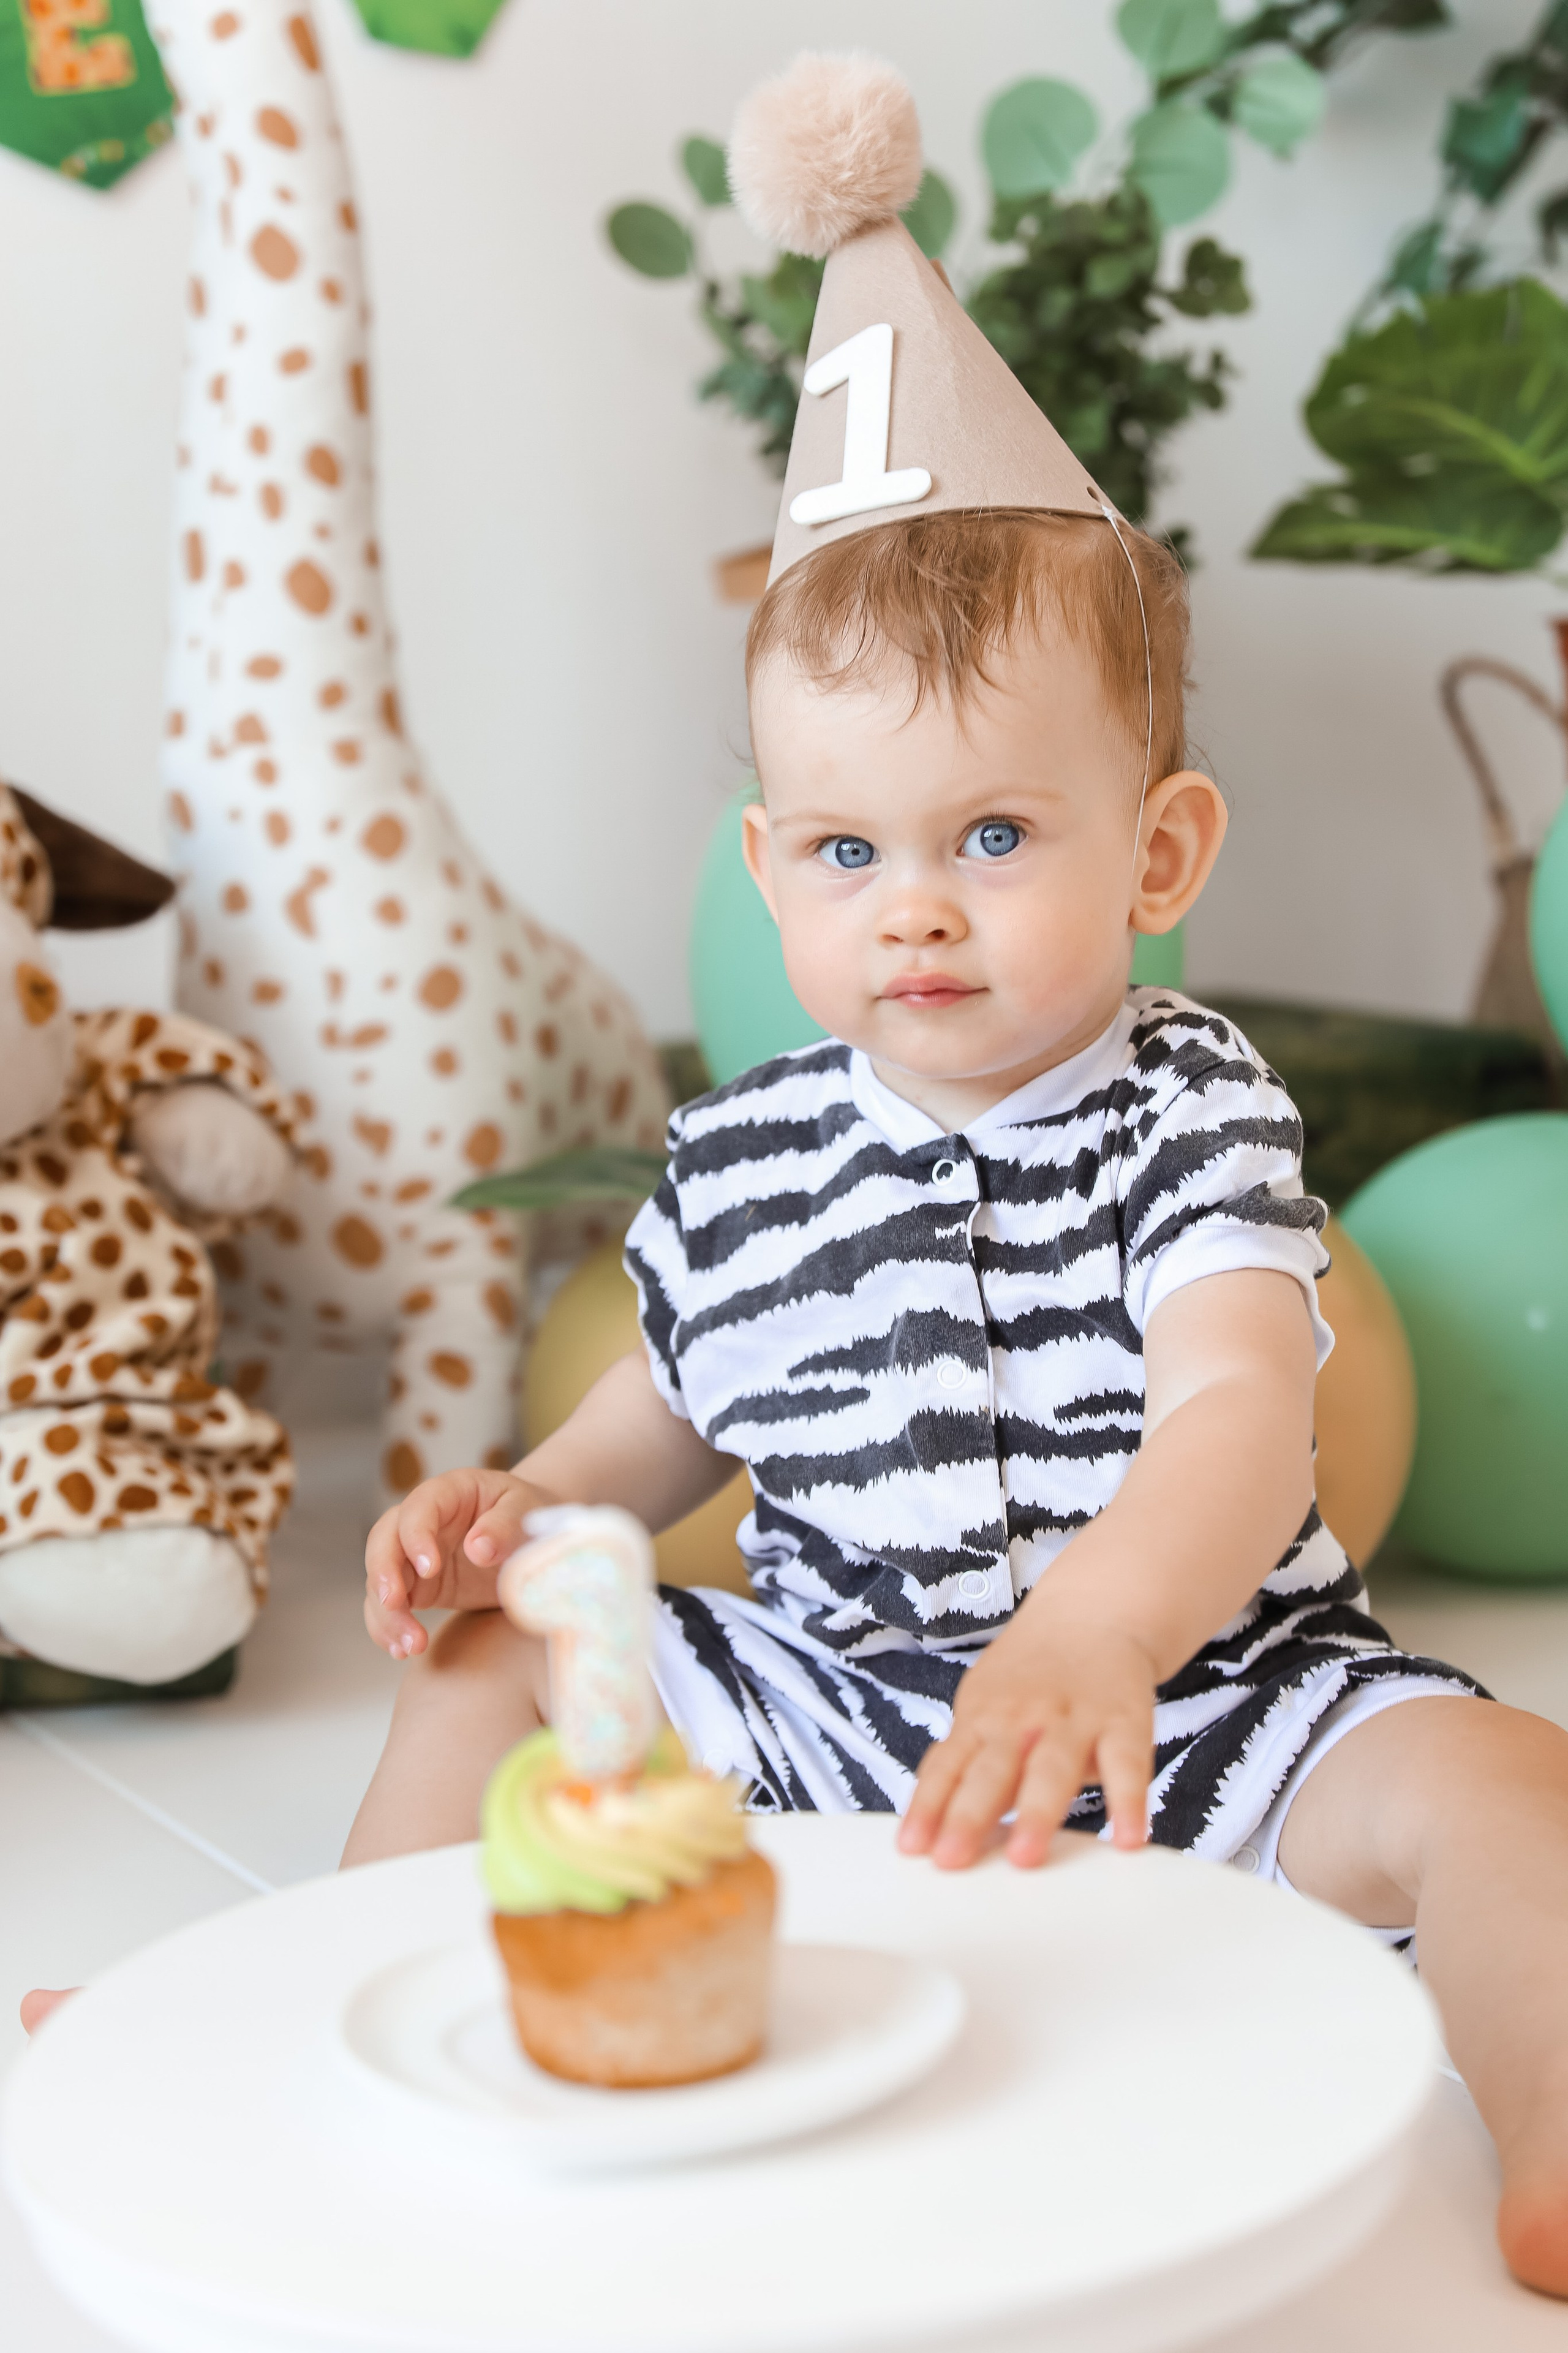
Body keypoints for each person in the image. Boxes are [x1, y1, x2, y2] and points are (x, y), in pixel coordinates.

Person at [348, 502, 1568, 2297]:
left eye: (991, 833)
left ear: (1160, 854)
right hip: (842, 1716)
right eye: (847, 847)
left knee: (1496, 1774)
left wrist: (1105, 1627)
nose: (912, 901)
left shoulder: (1191, 1108)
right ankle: (316, 1985)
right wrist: (521, 1505)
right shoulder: (744, 1156)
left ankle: (1547, 2117)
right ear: (768, 872)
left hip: (1216, 1709)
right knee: (486, 1656)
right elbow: (668, 1412)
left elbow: (1238, 1407)